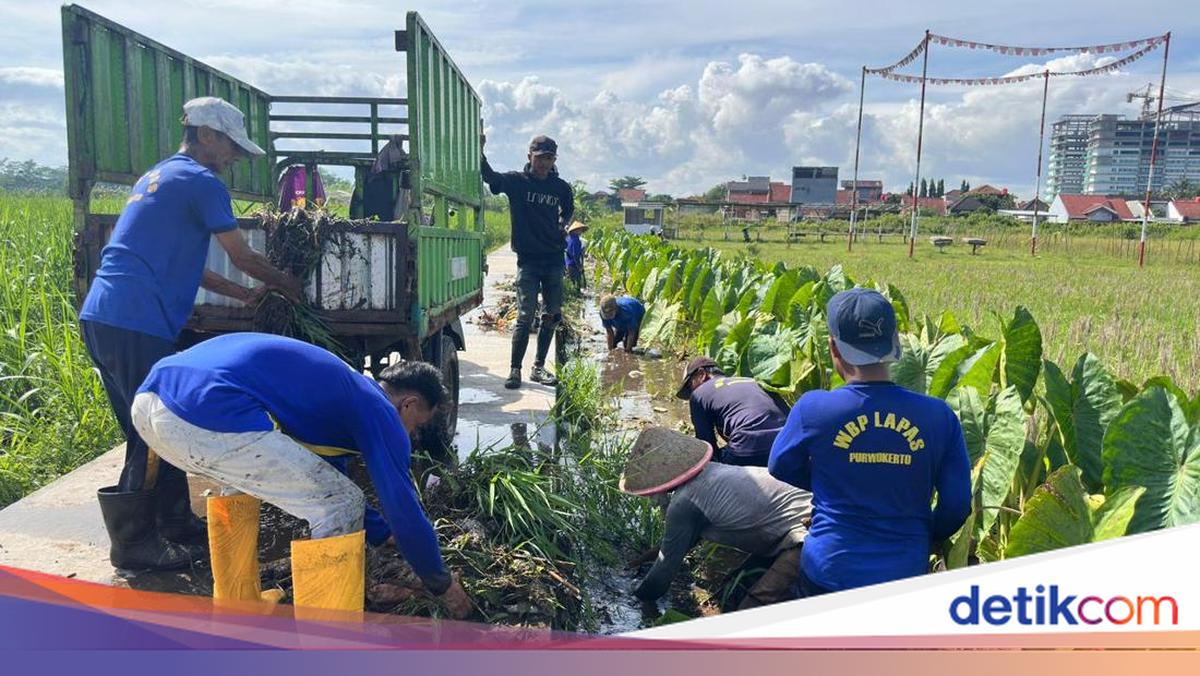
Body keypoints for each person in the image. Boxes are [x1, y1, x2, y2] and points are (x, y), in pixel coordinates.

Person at [79, 97, 303, 572]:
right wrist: (288, 284)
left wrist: (242, 296)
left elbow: (191, 266)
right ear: (206, 135)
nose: (233, 159)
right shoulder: (201, 182)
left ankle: (176, 523)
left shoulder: (159, 177)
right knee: (151, 430)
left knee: (159, 424)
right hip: (135, 319)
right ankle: (134, 546)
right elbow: (242, 256)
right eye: (231, 149)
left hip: (107, 315)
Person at [131, 333, 472, 617]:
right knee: (340, 505)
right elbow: (403, 511)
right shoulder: (380, 410)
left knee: (239, 487)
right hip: (202, 412)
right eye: (418, 426)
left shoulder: (340, 392)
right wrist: (442, 584)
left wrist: (382, 533)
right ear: (409, 404)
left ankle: (238, 605)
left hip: (152, 401)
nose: (412, 436)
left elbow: (326, 477)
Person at [768, 288, 971, 597]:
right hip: (903, 572)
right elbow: (957, 505)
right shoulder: (939, 416)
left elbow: (779, 465)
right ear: (895, 343)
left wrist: (834, 483)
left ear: (833, 347)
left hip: (829, 569)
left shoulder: (813, 409)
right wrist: (924, 531)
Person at [621, 427, 811, 609]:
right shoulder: (714, 471)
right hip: (815, 516)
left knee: (751, 609)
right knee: (734, 589)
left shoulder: (683, 503)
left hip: (810, 534)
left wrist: (633, 596)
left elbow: (662, 575)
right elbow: (677, 545)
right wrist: (637, 562)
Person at [481, 134, 574, 389]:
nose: (544, 163)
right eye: (540, 157)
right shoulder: (516, 183)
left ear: (554, 159)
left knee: (552, 315)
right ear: (529, 156)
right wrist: (480, 151)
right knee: (525, 316)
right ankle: (515, 370)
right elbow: (491, 177)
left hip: (554, 258)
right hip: (529, 261)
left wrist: (564, 223)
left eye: (549, 158)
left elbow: (569, 209)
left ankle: (538, 367)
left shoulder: (561, 187)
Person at [676, 357, 791, 467]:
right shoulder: (752, 381)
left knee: (708, 468)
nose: (692, 391)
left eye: (690, 385)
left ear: (701, 374)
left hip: (749, 448)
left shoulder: (699, 393)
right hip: (788, 444)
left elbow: (706, 447)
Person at [564, 221, 588, 289]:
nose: (581, 231)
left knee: (573, 282)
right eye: (579, 230)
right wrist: (579, 266)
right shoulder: (576, 240)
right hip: (573, 264)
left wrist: (582, 252)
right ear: (575, 230)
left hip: (568, 263)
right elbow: (575, 255)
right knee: (577, 284)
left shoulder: (569, 238)